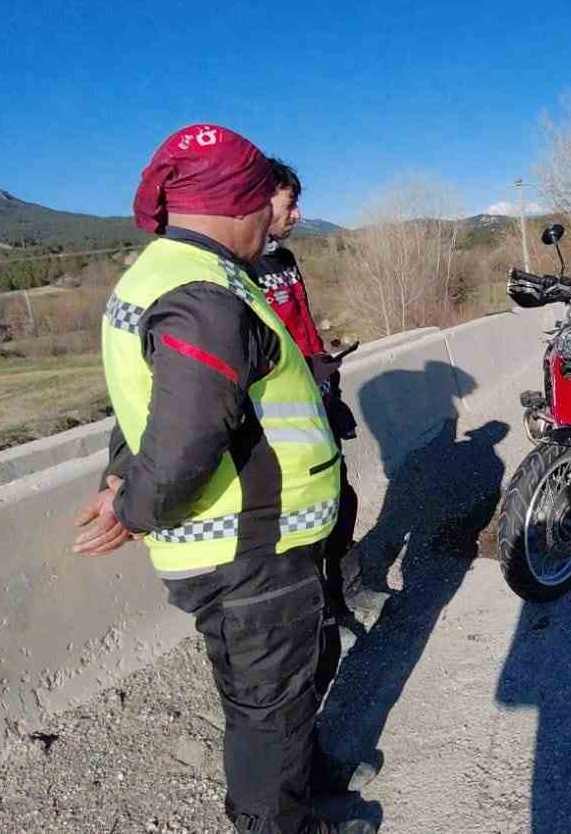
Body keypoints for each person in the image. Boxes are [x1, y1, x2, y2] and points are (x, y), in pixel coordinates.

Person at [72, 123, 373, 834]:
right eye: (261, 207)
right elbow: (184, 439)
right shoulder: (204, 294)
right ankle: (280, 821)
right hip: (250, 546)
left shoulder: (161, 273)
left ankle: (304, 781)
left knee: (278, 692)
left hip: (251, 542)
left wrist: (122, 476)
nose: (270, 220)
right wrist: (135, 505)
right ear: (238, 205)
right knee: (268, 705)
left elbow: (142, 404)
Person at [250, 158, 371, 791]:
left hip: (315, 405)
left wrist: (327, 375)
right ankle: (325, 610)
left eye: (298, 203)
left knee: (342, 506)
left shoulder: (284, 264)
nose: (296, 214)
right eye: (287, 203)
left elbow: (302, 326)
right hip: (278, 437)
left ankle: (343, 592)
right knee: (305, 540)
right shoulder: (236, 271)